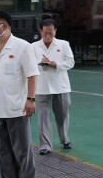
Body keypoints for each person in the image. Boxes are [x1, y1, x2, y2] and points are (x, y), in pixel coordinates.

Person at [0, 11, 39, 178]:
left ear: (4, 26)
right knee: (3, 150)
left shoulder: (22, 47)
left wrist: (30, 99)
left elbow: (32, 74)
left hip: (17, 107)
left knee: (22, 150)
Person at [32, 19, 75, 155]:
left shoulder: (63, 44)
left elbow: (70, 62)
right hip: (41, 87)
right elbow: (29, 64)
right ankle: (45, 146)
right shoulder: (32, 47)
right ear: (40, 32)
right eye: (45, 33)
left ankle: (64, 139)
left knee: (62, 115)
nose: (48, 36)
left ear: (55, 31)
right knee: (43, 117)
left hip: (61, 86)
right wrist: (40, 62)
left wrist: (57, 65)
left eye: (51, 33)